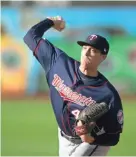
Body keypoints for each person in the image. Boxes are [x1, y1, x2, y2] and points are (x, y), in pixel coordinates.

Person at [23, 16, 124, 156]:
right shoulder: (58, 63)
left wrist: (88, 136)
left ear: (103, 57)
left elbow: (114, 137)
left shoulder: (108, 94)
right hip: (63, 137)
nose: (87, 52)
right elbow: (30, 37)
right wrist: (51, 22)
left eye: (94, 50)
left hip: (90, 144)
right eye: (85, 47)